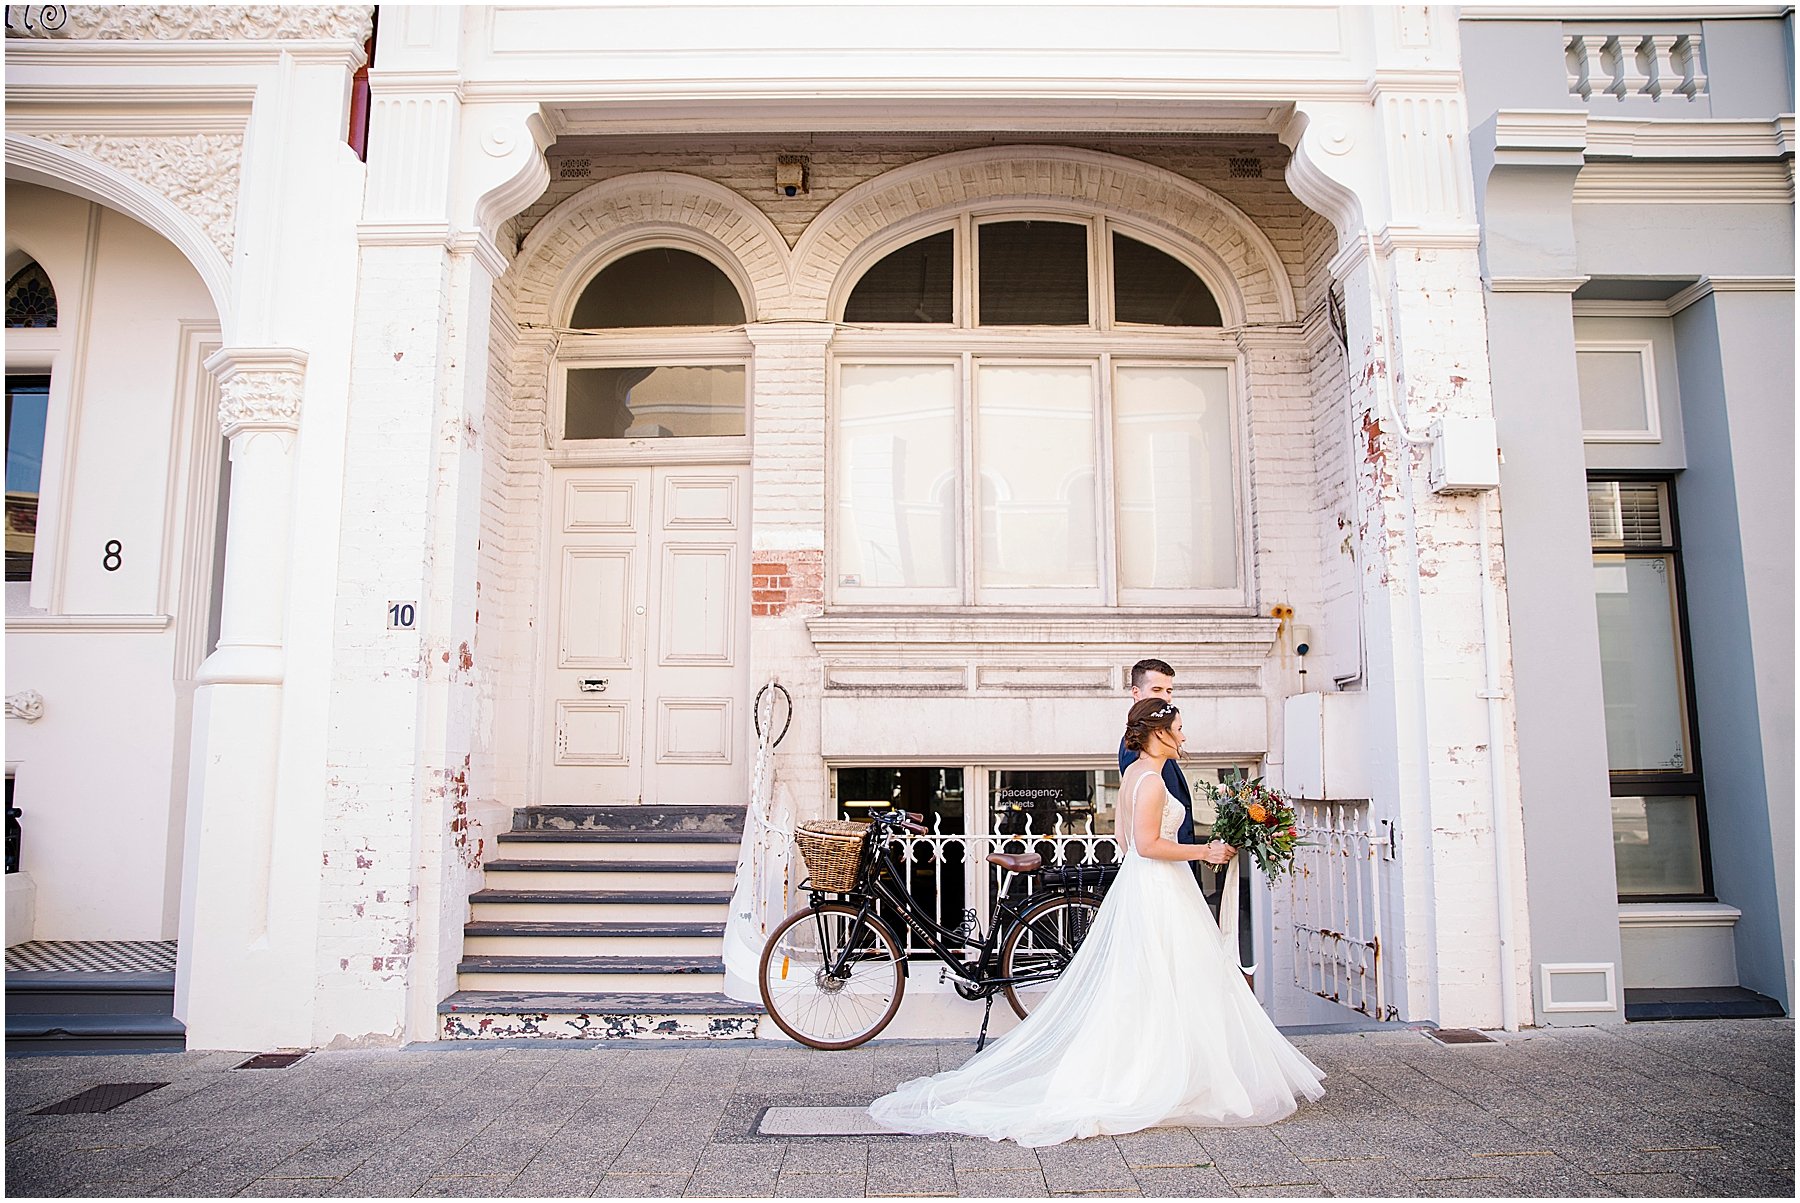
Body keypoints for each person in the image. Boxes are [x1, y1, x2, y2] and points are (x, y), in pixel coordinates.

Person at [868, 699, 1326, 1147]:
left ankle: (1169, 1067)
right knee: (1175, 978)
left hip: (1150, 886)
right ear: (1159, 733)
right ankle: (1166, 1075)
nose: (1185, 736)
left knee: (1160, 981)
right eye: (1179, 727)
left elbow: (1126, 842)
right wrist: (1204, 851)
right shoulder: (1148, 782)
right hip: (1160, 888)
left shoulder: (1133, 776)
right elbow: (1146, 845)